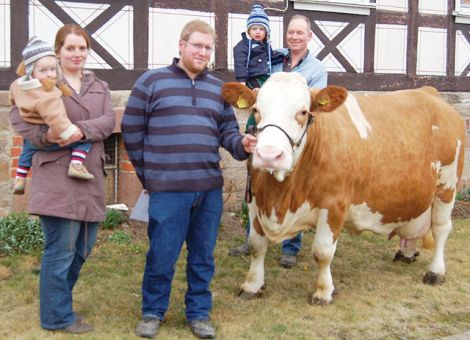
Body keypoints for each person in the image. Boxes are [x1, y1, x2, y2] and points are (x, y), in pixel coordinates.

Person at [121, 20, 256, 339]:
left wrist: (243, 145)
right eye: (197, 45)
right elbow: (132, 130)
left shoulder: (218, 89)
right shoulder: (151, 81)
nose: (202, 52)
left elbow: (227, 133)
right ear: (181, 45)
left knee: (202, 257)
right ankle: (153, 312)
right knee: (161, 254)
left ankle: (198, 313)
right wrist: (150, 176)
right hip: (168, 191)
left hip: (208, 190)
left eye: (208, 48)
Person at [9, 24, 115, 334]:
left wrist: (81, 131)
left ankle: (59, 303)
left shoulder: (100, 86)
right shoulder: (39, 82)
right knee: (61, 249)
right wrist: (47, 136)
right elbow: (18, 117)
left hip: (90, 172)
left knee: (84, 247)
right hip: (56, 175)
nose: (77, 54)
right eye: (70, 48)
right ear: (58, 52)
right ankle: (56, 316)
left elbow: (108, 121)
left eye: (82, 48)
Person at [229, 14, 328, 269]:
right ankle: (253, 235)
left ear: (309, 36)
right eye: (291, 32)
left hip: (294, 142)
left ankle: (291, 247)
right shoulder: (272, 57)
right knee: (255, 185)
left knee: (294, 190)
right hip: (266, 135)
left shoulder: (317, 70)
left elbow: (315, 111)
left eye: (300, 33)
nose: (294, 37)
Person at [10, 36, 94, 195]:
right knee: (84, 141)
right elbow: (55, 116)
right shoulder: (46, 94)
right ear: (32, 72)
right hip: (52, 132)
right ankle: (76, 164)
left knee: (26, 150)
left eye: (52, 69)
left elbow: (13, 101)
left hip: (32, 136)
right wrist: (68, 131)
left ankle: (20, 178)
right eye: (43, 71)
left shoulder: (18, 86)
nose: (50, 74)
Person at [233, 4, 284, 89]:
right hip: (252, 78)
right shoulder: (243, 45)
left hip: (266, 76)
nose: (258, 32)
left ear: (266, 32)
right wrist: (241, 81)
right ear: (248, 31)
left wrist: (281, 57)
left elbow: (270, 57)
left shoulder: (267, 44)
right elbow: (240, 64)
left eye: (261, 29)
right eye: (254, 29)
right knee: (257, 95)